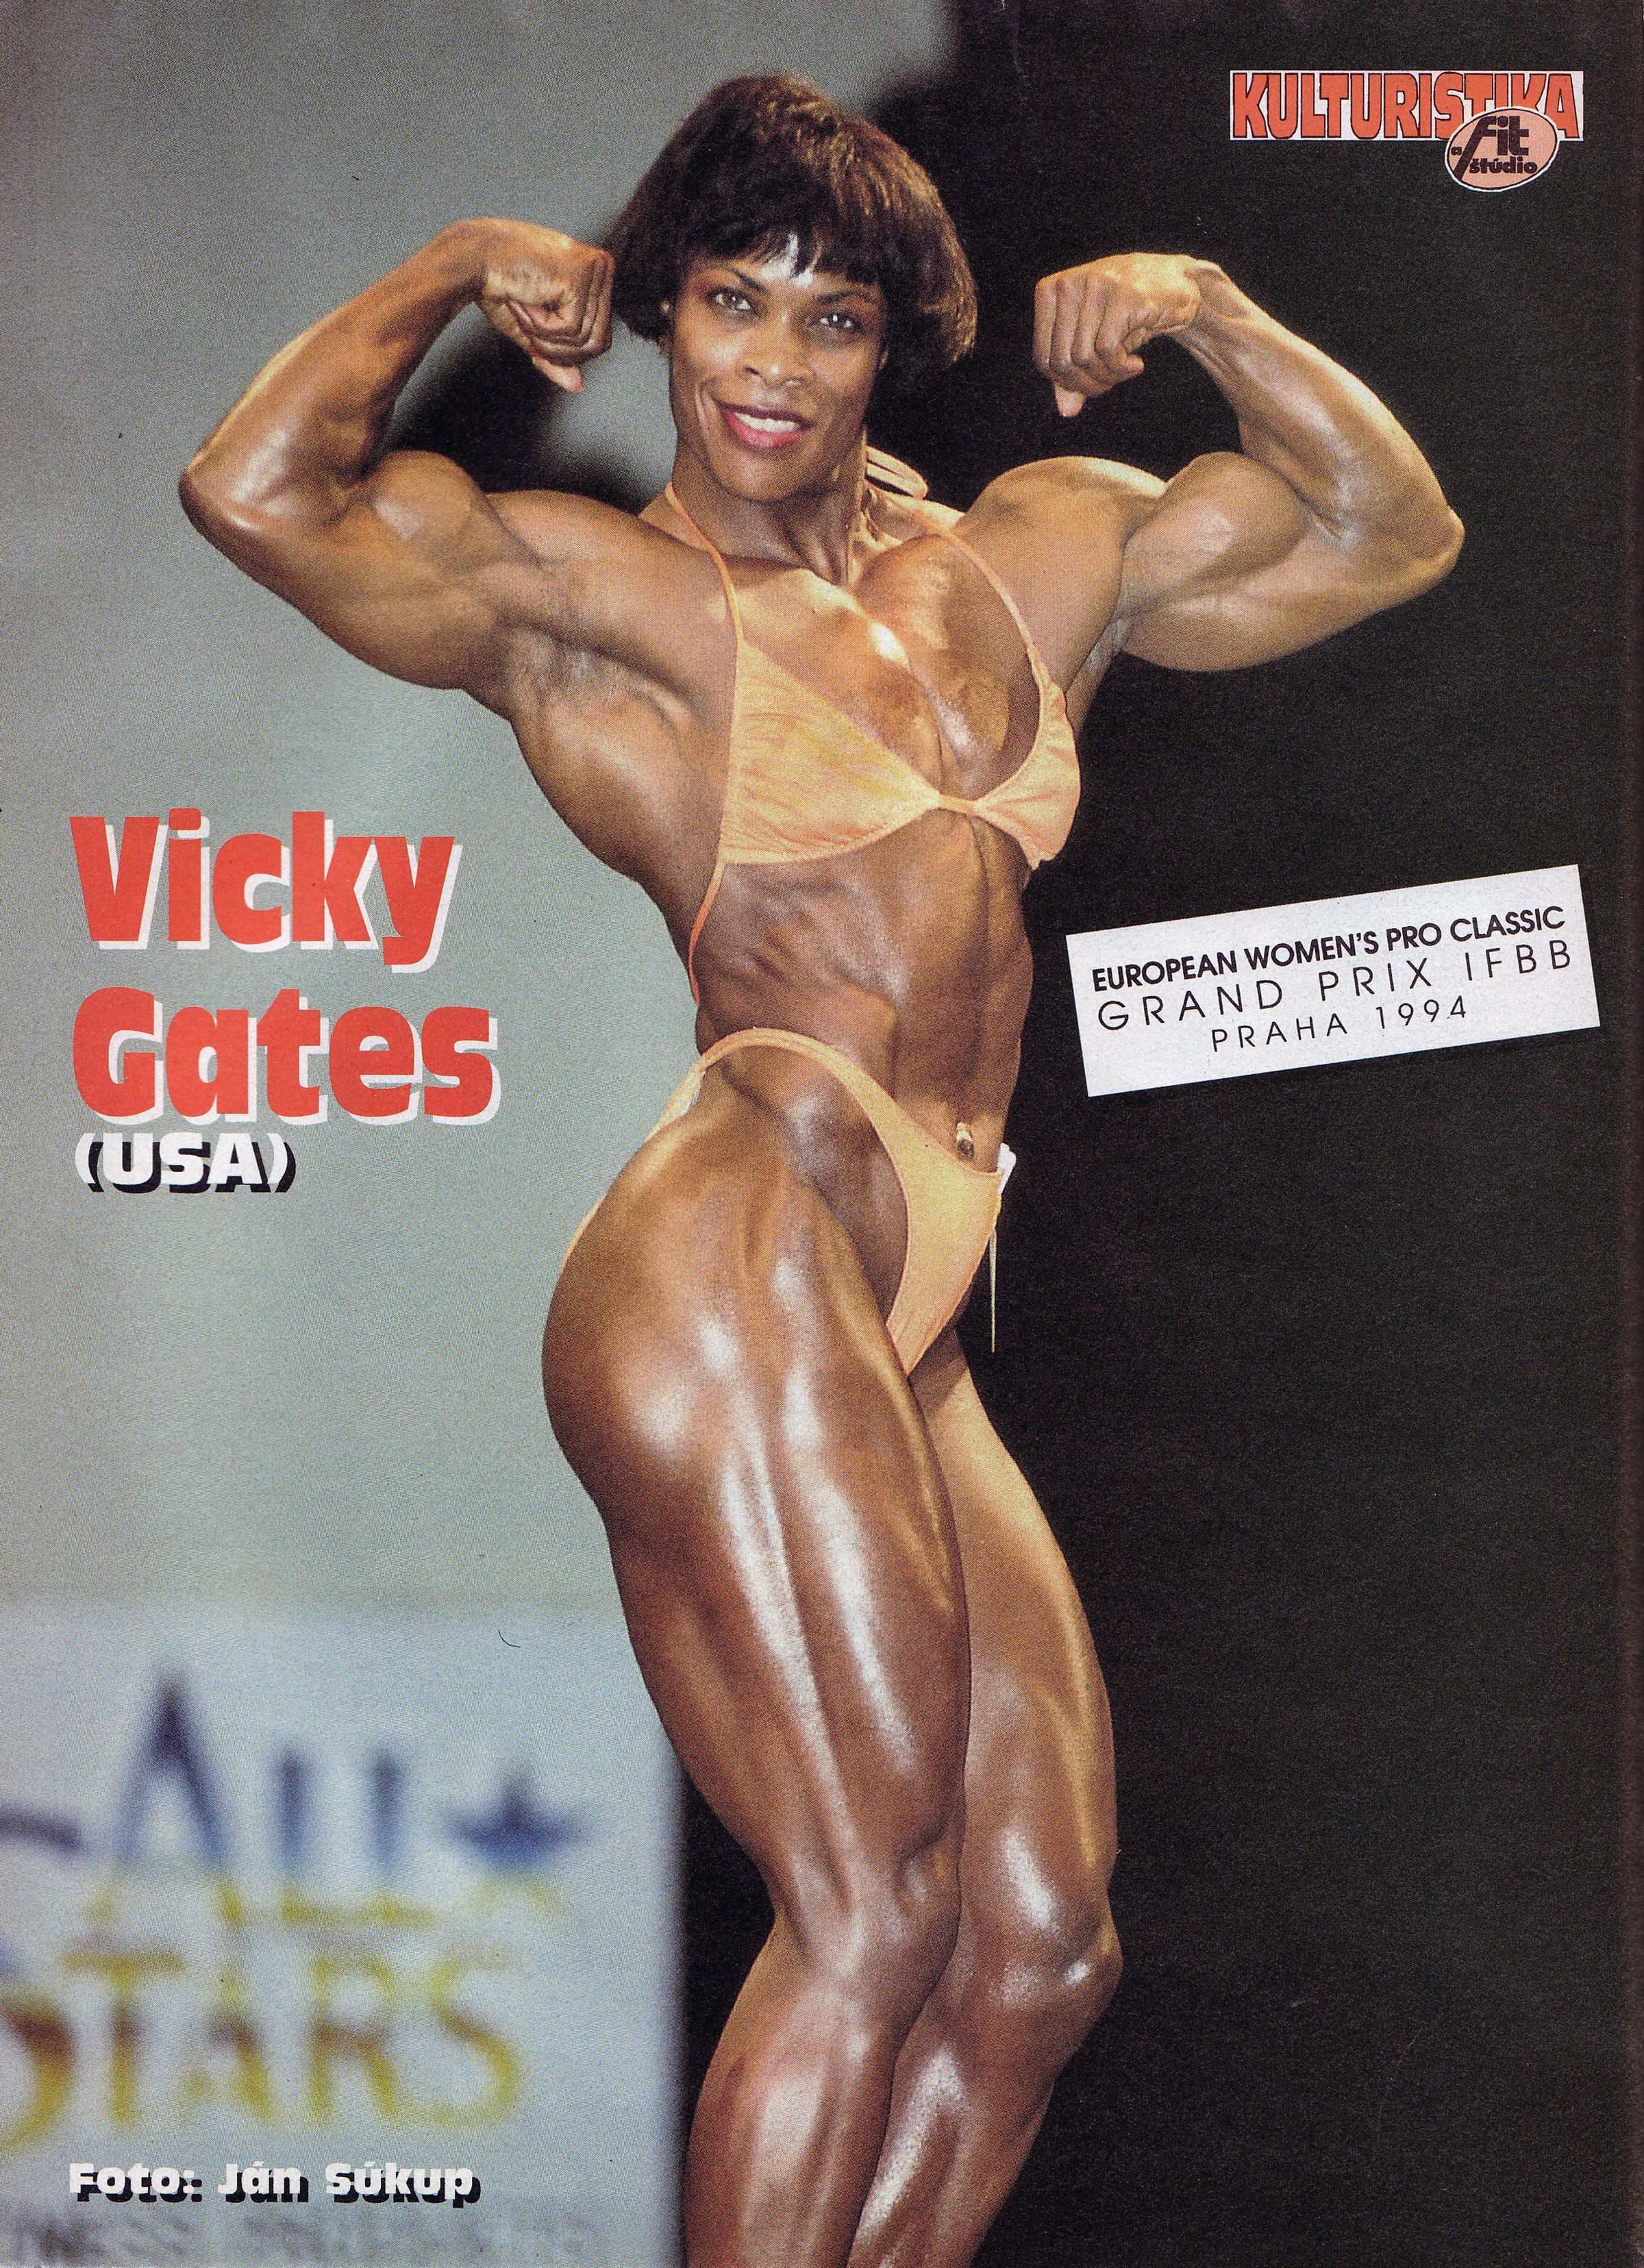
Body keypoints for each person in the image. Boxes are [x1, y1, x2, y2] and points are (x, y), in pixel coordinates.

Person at [180, 74, 1461, 2268]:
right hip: (741, 1244)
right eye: (729, 301)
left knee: (1039, 1948)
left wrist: (1211, 306)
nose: (772, 362)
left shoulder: (1033, 553)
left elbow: (1391, 529)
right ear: (663, 317)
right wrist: (453, 269)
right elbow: (254, 488)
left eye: (830, 317)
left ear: (894, 346)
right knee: (872, 1913)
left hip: (911, 1312)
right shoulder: (602, 598)